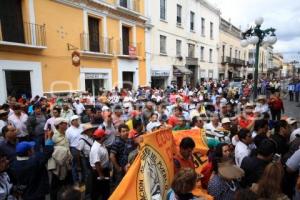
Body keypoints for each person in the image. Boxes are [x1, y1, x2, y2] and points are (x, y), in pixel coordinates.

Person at [76, 123, 96, 198]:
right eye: (90, 130)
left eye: (92, 129)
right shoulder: (82, 139)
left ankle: (92, 192)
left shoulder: (92, 137)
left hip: (92, 158)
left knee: (92, 176)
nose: (92, 131)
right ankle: (87, 195)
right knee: (88, 177)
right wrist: (79, 165)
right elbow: (78, 152)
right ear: (86, 131)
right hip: (86, 159)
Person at [89, 128, 110, 200]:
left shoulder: (101, 144)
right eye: (104, 135)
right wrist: (101, 175)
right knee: (100, 190)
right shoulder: (96, 148)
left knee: (105, 188)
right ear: (101, 137)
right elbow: (96, 163)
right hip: (99, 172)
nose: (106, 136)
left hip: (103, 170)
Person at [66, 115, 83, 185]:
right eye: (76, 120)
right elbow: (68, 142)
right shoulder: (68, 130)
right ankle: (76, 180)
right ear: (72, 122)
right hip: (74, 149)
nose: (77, 121)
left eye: (78, 119)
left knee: (83, 164)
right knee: (75, 165)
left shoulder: (81, 127)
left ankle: (83, 179)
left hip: (82, 148)